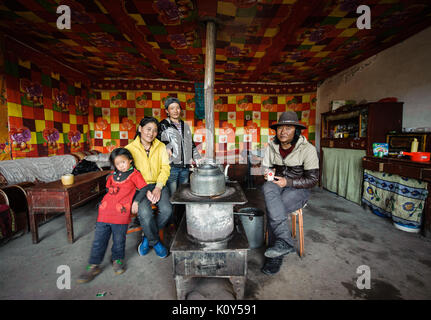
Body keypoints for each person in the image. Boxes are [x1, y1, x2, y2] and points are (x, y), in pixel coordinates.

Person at [261, 111, 319, 275]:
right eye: (280, 128)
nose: (283, 132)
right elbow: (266, 167)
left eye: (288, 128)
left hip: (299, 188)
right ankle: (285, 241)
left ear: (296, 131)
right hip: (278, 184)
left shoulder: (308, 149)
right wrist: (268, 172)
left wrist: (289, 182)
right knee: (267, 188)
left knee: (276, 207)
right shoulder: (272, 147)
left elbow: (313, 180)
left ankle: (274, 256)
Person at [77, 148, 148, 283]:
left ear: (130, 161)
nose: (121, 165)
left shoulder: (134, 174)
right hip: (104, 212)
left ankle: (117, 259)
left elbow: (144, 188)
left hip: (121, 214)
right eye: (117, 163)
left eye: (123, 162)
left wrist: (136, 202)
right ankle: (93, 265)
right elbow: (108, 190)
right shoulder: (112, 175)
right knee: (99, 240)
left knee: (119, 239)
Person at [125, 116, 172, 258]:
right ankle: (155, 242)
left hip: (159, 183)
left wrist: (158, 187)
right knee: (145, 213)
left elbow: (165, 168)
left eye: (155, 130)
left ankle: (147, 237)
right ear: (140, 129)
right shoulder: (129, 149)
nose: (151, 133)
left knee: (167, 210)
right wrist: (144, 190)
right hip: (139, 188)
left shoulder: (161, 146)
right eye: (148, 129)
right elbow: (130, 173)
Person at [158, 97, 201, 225]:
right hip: (172, 167)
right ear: (167, 111)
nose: (175, 110)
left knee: (183, 195)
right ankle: (171, 223)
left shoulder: (185, 126)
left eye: (177, 108)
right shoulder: (163, 125)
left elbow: (191, 144)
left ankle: (181, 222)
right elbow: (159, 140)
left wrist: (197, 158)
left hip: (185, 166)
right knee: (172, 196)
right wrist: (166, 146)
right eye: (172, 108)